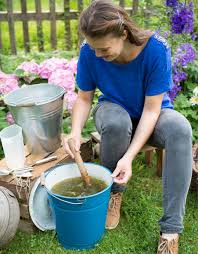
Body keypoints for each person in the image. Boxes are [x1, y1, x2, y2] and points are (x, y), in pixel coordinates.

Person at [63, 1, 192, 253]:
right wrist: (75, 131)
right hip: (112, 108)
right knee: (116, 123)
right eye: (93, 48)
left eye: (104, 49)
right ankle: (114, 192)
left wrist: (129, 157)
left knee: (180, 128)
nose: (98, 55)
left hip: (152, 113)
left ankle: (171, 230)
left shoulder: (156, 49)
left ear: (123, 34)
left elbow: (152, 110)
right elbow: (84, 97)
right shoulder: (90, 51)